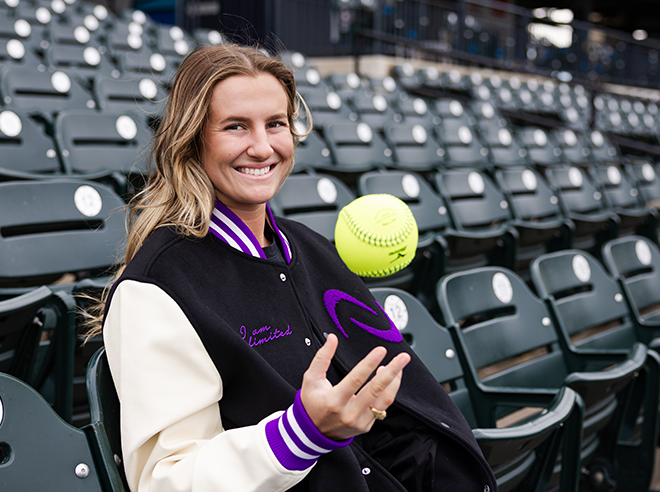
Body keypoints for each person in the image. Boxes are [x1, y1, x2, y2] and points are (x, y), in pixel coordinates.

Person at [89, 43, 496, 492]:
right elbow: (164, 480)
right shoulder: (157, 286)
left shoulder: (310, 246)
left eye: (276, 124)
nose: (262, 147)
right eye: (235, 126)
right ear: (192, 139)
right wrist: (301, 433)